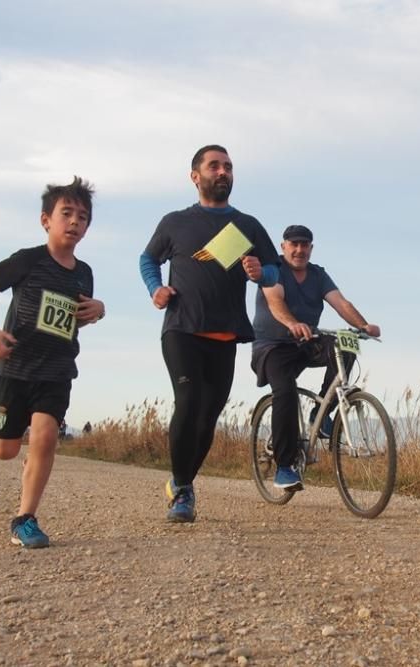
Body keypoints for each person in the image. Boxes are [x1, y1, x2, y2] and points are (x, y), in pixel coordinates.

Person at [140, 145, 280, 523]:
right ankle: (184, 491)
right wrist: (156, 288)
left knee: (207, 418)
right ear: (195, 176)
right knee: (188, 402)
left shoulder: (248, 225)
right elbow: (148, 258)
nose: (223, 172)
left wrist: (260, 272)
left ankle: (180, 481)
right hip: (182, 329)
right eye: (214, 166)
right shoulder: (175, 222)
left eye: (228, 167)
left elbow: (273, 270)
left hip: (225, 334)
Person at [0, 176, 105, 549]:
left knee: (45, 437)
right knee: (5, 450)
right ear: (46, 220)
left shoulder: (84, 273)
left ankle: (24, 519)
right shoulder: (27, 260)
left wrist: (98, 310)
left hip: (56, 370)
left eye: (83, 216)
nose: (75, 221)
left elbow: (77, 316)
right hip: (14, 367)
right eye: (67, 213)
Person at [251, 225, 381, 490]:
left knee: (346, 347)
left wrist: (363, 325)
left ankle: (320, 416)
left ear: (311, 248)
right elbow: (275, 301)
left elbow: (341, 303)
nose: (299, 250)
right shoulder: (274, 269)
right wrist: (292, 323)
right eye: (294, 244)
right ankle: (284, 467)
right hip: (273, 346)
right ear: (283, 246)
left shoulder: (318, 275)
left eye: (305, 245)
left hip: (306, 342)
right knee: (285, 392)